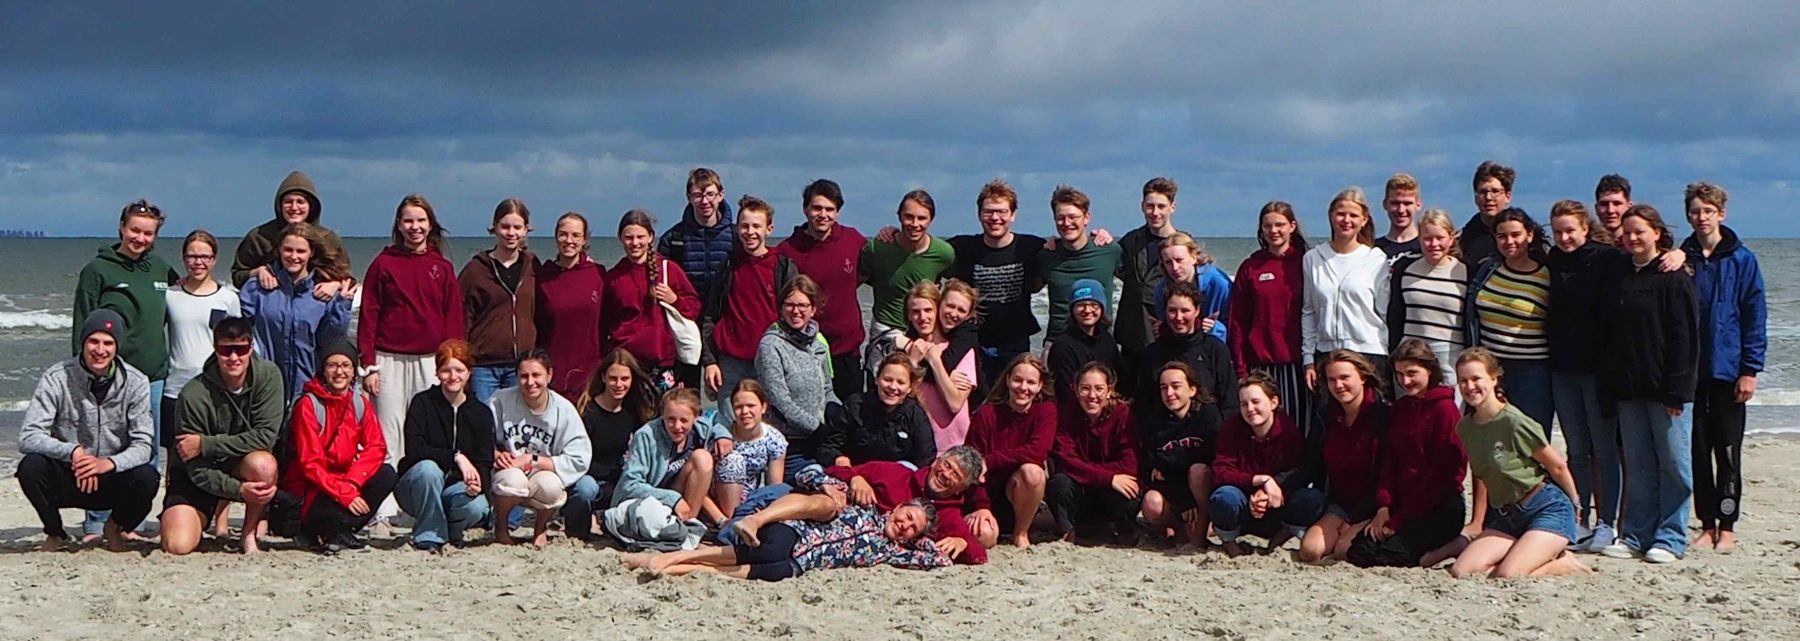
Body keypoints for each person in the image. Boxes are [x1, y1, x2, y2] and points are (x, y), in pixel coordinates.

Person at [1600, 205, 1700, 565]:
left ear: (1656, 233)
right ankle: (1635, 535)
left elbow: (1685, 338)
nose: (1632, 238)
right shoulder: (1620, 276)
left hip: (1666, 392)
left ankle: (1671, 537)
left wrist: (1677, 391)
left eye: (1639, 231)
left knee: (1674, 465)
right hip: (1629, 389)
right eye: (1627, 232)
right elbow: (1612, 337)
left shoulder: (1673, 276)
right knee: (1639, 466)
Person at [360, 194, 466, 531]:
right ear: (399, 224)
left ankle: (419, 506)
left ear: (430, 225)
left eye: (420, 220)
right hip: (388, 359)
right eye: (408, 220)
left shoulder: (442, 268)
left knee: (424, 435)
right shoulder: (383, 264)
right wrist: (368, 365)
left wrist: (453, 364)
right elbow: (369, 316)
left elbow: (453, 319)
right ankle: (382, 509)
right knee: (387, 434)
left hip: (431, 362)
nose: (414, 227)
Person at [72, 200, 176, 539]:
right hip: (109, 377)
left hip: (153, 376)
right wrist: (84, 375)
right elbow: (81, 325)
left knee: (146, 450)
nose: (140, 238)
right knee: (104, 447)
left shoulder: (160, 268)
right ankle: (96, 522)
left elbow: (190, 292)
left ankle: (131, 522)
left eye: (148, 233)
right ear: (121, 227)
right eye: (135, 230)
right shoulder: (97, 270)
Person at [17, 309, 159, 552]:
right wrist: (73, 452)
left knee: (148, 477)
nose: (100, 350)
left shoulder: (136, 382)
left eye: (108, 343)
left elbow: (144, 446)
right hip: (69, 473)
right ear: (83, 342)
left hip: (111, 476)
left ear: (117, 347)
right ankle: (55, 532)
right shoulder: (56, 377)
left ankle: (114, 527)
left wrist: (107, 464)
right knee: (30, 466)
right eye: (94, 341)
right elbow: (28, 436)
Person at [1447, 348, 1590, 578]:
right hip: (1505, 516)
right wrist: (1478, 520)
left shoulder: (1514, 422)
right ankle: (1527, 552)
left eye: (1476, 378)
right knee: (1461, 570)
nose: (1470, 386)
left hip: (1544, 507)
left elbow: (1557, 466)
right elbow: (1482, 475)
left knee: (1508, 574)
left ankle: (1562, 564)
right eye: (1463, 380)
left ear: (1493, 379)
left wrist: (1575, 504)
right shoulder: (1466, 428)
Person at [1681, 181, 1766, 554]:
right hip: (1691, 372)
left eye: (1707, 211)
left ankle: (1727, 526)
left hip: (1729, 371)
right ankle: (1706, 524)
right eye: (1695, 211)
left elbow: (1754, 315)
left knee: (1727, 453)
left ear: (1721, 213)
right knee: (1697, 452)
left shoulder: (1742, 259)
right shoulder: (1682, 257)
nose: (1701, 217)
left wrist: (1750, 369)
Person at [162, 317, 284, 555]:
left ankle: (248, 535)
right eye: (226, 350)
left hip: (240, 465)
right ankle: (202, 517)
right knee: (177, 545)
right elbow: (194, 466)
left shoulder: (268, 376)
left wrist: (206, 444)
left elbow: (265, 437)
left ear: (251, 348)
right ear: (215, 349)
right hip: (198, 475)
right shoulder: (193, 394)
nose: (233, 357)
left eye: (241, 349)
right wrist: (238, 490)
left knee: (264, 464)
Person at [1544, 200, 1624, 553]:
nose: (1564, 238)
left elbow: (1647, 263)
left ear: (1585, 228)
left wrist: (1678, 256)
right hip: (1562, 368)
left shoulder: (1608, 258)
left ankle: (1608, 522)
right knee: (1576, 450)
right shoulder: (1552, 259)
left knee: (1604, 450)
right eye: (1557, 232)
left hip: (1598, 370)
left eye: (1570, 231)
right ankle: (1579, 518)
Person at [624, 493, 947, 581]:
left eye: (912, 528)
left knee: (777, 570)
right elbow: (811, 477)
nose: (904, 525)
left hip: (802, 563)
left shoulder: (892, 551)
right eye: (907, 516)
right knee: (770, 552)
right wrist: (841, 485)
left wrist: (940, 541)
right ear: (898, 508)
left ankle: (674, 566)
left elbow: (938, 559)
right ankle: (679, 556)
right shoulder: (864, 507)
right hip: (796, 531)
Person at [1348, 339, 1467, 568]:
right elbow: (1389, 462)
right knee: (1360, 552)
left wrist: (1398, 521)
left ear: (1429, 370)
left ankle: (1450, 547)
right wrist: (1383, 508)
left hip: (1438, 505)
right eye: (1400, 374)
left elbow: (1442, 476)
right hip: (1402, 504)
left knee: (1391, 557)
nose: (1405, 381)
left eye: (1412, 373)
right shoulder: (1400, 409)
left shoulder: (1445, 411)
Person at [276, 338, 397, 554]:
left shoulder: (359, 403)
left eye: (345, 365)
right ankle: (322, 530)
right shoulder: (308, 405)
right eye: (332, 365)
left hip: (343, 481)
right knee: (330, 503)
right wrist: (344, 492)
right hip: (310, 489)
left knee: (385, 475)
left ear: (353, 372)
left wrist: (352, 482)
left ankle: (340, 531)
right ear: (323, 370)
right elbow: (310, 464)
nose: (339, 372)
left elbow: (376, 446)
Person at [700, 195, 799, 414]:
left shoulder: (782, 265)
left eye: (756, 226)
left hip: (771, 360)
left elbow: (796, 315)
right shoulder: (728, 265)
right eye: (744, 226)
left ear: (769, 229)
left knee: (769, 424)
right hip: (730, 361)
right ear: (737, 229)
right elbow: (711, 316)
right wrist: (709, 361)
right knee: (730, 424)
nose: (750, 232)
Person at [397, 340, 497, 553]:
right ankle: (428, 535)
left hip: (455, 489)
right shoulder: (422, 403)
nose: (453, 377)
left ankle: (448, 530)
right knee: (429, 469)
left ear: (469, 373)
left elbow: (484, 461)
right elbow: (414, 449)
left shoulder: (481, 413)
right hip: (417, 486)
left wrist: (478, 486)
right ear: (437, 373)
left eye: (459, 370)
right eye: (446, 370)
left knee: (477, 507)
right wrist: (456, 456)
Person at [1209, 375, 1325, 557]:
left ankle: (1277, 542)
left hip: (1278, 504)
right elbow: (1220, 472)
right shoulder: (1231, 427)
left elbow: (1301, 471)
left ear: (1273, 402)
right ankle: (1230, 544)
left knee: (1311, 498)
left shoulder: (1288, 431)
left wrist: (1269, 488)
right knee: (1224, 497)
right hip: (1242, 503)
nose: (1250, 409)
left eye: (1256, 402)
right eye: (1243, 404)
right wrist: (1258, 481)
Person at [949, 179, 1045, 398]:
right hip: (974, 340)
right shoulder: (963, 247)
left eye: (1002, 211)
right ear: (979, 214)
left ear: (1013, 215)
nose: (995, 218)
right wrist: (892, 233)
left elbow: (1068, 247)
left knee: (1014, 399)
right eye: (988, 212)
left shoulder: (1030, 247)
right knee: (976, 402)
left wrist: (1101, 236)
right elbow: (925, 246)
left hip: (1015, 340)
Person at [1464, 208, 1555, 437]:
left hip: (1531, 371)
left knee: (1530, 438)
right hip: (1490, 368)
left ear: (1529, 235)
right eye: (1502, 236)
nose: (1509, 241)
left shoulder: (1547, 275)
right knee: (1491, 438)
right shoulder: (1486, 271)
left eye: (1516, 235)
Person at [240, 222, 353, 405]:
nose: (294, 256)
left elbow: (331, 340)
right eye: (288, 250)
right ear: (279, 250)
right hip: (266, 386)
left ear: (311, 253)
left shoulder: (322, 293)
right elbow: (239, 332)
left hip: (308, 386)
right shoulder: (258, 288)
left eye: (300, 251)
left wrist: (342, 305)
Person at [820, 446, 991, 564]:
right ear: (936, 461)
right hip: (833, 523)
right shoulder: (893, 473)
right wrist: (855, 478)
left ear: (961, 488)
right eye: (947, 465)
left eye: (956, 475)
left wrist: (962, 543)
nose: (946, 474)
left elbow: (979, 555)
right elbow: (832, 471)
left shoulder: (949, 516)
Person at [489, 350, 592, 546]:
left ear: (549, 375)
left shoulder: (563, 409)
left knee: (551, 487)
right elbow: (479, 439)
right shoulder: (499, 400)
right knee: (513, 479)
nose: (530, 382)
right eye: (524, 376)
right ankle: (501, 526)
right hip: (509, 469)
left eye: (536, 375)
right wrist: (495, 454)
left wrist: (532, 460)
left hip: (543, 470)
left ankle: (540, 527)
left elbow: (579, 456)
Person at [776, 179, 868, 400]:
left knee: (851, 413)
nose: (823, 215)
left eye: (830, 209)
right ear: (805, 209)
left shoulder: (852, 240)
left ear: (837, 212)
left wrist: (890, 233)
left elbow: (873, 269)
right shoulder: (787, 250)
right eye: (817, 208)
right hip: (804, 350)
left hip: (847, 351)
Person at [1229, 201, 1313, 437]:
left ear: (1292, 226)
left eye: (1280, 225)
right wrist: (1241, 369)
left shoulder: (1307, 263)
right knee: (1262, 428)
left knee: (1297, 430)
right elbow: (1237, 321)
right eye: (1267, 226)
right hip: (1260, 362)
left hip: (1298, 364)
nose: (1274, 231)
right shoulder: (1251, 267)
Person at [1299, 351, 1386, 564]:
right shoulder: (1326, 416)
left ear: (1362, 377)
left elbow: (1387, 474)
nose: (1338, 385)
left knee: (1344, 549)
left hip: (1374, 505)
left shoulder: (1383, 416)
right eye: (1332, 380)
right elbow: (1309, 466)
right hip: (1340, 502)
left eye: (1345, 377)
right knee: (1310, 551)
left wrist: (1358, 517)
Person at [1302, 187, 1390, 395]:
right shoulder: (1313, 258)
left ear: (1364, 220)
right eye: (1341, 214)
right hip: (1327, 354)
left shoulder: (1376, 259)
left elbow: (1384, 312)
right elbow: (1309, 311)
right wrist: (1308, 359)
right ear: (1331, 216)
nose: (1346, 220)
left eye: (1353, 215)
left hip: (1369, 353)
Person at [563, 349, 659, 540]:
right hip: (586, 476)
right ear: (603, 378)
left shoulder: (635, 411)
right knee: (586, 489)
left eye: (625, 379)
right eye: (613, 378)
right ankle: (576, 530)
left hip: (617, 477)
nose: (619, 384)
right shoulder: (587, 412)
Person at [601, 209, 701, 390]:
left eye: (640, 237)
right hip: (625, 362)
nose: (635, 243)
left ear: (650, 237)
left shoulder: (668, 269)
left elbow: (694, 308)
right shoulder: (614, 277)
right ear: (620, 238)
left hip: (662, 362)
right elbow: (605, 321)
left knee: (665, 408)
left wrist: (675, 300)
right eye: (629, 237)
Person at [965, 354, 1058, 548]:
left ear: (1040, 386)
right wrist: (981, 506)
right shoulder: (987, 414)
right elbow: (973, 466)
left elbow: (1037, 452)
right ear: (1008, 380)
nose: (1023, 388)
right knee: (983, 538)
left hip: (1020, 493)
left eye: (1031, 382)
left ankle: (1021, 533)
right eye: (1017, 380)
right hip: (987, 493)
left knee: (1033, 471)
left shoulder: (1045, 412)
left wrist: (990, 460)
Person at [165, 230, 242, 455]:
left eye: (204, 257)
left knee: (212, 451)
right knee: (175, 454)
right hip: (176, 388)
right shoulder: (170, 295)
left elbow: (237, 344)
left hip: (215, 387)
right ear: (184, 259)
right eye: (192, 256)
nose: (198, 262)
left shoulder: (228, 298)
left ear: (214, 260)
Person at [659, 168, 736, 392]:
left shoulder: (736, 237)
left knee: (729, 394)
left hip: (723, 326)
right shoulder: (674, 239)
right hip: (685, 324)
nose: (704, 201)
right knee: (684, 397)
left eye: (710, 194)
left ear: (720, 195)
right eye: (698, 195)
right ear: (688, 197)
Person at [755, 275, 839, 481]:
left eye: (802, 305)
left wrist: (838, 415)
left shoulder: (818, 343)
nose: (796, 311)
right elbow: (779, 400)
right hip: (789, 443)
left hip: (821, 440)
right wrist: (816, 428)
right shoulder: (770, 346)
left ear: (813, 309)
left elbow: (827, 389)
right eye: (789, 305)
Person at [1047, 364, 1140, 545]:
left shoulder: (1122, 414)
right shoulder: (1066, 413)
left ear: (1109, 391)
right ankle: (1067, 531)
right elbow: (1065, 461)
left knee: (1129, 487)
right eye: (1085, 389)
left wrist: (1086, 470)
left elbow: (1129, 464)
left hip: (1110, 492)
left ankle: (1124, 530)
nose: (1092, 395)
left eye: (1099, 389)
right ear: (1075, 390)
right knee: (1058, 483)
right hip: (1081, 492)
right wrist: (1108, 477)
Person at [459, 198, 538, 404]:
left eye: (517, 227)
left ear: (526, 229)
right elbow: (462, 317)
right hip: (484, 367)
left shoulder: (533, 266)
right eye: (505, 226)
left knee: (515, 421)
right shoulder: (475, 270)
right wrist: (462, 360)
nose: (511, 233)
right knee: (484, 419)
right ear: (494, 227)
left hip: (520, 365)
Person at [886, 282, 980, 452]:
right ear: (908, 316)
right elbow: (894, 400)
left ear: (937, 309)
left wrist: (936, 362)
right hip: (916, 443)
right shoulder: (903, 353)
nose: (922, 317)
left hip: (954, 445)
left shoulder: (961, 350)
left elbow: (954, 404)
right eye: (915, 312)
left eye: (928, 310)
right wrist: (912, 364)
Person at [1114, 177, 1186, 396]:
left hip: (1167, 338)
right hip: (1131, 337)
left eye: (1161, 206)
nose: (1155, 212)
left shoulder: (1183, 246)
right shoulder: (1130, 241)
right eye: (1150, 206)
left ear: (1172, 207)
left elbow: (1200, 288)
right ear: (1142, 206)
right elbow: (1107, 260)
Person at [1138, 362, 1223, 546]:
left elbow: (1212, 459)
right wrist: (1183, 502)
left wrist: (1170, 466)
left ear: (1192, 389)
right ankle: (1178, 531)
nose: (1169, 393)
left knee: (1198, 471)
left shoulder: (1208, 415)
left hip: (1203, 492)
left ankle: (1200, 535)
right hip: (1173, 494)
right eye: (1163, 387)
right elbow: (1150, 469)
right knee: (1151, 503)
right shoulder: (1154, 422)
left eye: (1176, 386)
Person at [614, 388, 729, 523]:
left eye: (684, 420)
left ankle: (691, 522)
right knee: (702, 458)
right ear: (662, 414)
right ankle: (698, 523)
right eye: (671, 419)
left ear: (695, 417)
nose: (677, 426)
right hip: (653, 499)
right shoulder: (646, 436)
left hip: (683, 493)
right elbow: (629, 485)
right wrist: (672, 499)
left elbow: (716, 420)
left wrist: (722, 435)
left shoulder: (701, 429)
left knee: (703, 458)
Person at [230, 171, 351, 295]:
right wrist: (258, 272)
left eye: (300, 202)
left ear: (311, 206)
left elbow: (349, 279)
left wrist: (335, 284)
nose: (294, 207)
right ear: (280, 205)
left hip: (315, 303)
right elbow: (237, 277)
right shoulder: (259, 237)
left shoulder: (328, 239)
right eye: (288, 202)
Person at [816, 353, 935, 470]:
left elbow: (925, 459)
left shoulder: (915, 414)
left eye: (900, 382)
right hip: (854, 473)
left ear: (909, 388)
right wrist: (838, 458)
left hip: (894, 477)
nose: (893, 387)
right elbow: (827, 446)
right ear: (877, 379)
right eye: (887, 380)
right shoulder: (855, 405)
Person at [1386, 209, 1466, 382]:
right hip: (1410, 353)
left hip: (1449, 354)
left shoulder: (1465, 272)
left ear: (1451, 238)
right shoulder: (1405, 269)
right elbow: (1394, 313)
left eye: (1440, 238)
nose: (1434, 244)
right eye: (1427, 238)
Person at [863, 190, 956, 337]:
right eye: (909, 217)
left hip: (923, 328)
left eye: (922, 218)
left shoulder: (944, 253)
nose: (915, 224)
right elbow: (851, 284)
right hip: (886, 328)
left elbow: (957, 288)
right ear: (899, 216)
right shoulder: (878, 248)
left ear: (931, 220)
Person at [1039, 185, 1123, 343]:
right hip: (1057, 341)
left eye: (1073, 217)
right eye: (1060, 217)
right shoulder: (1046, 255)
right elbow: (1030, 288)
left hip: (1100, 341)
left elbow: (1135, 285)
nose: (1066, 223)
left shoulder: (1109, 251)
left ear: (1086, 218)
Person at [535, 212, 605, 398]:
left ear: (584, 239)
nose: (569, 240)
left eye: (576, 235)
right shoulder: (543, 276)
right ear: (556, 237)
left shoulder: (597, 274)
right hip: (552, 370)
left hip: (589, 371)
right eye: (563, 234)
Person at [1141, 282, 1237, 414]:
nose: (1178, 317)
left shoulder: (1215, 349)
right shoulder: (1152, 353)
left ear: (1197, 310)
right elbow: (1144, 404)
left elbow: (1230, 403)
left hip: (1208, 424)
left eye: (1185, 311)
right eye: (1172, 311)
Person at [713, 379, 788, 518]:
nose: (745, 412)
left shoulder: (774, 439)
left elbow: (775, 486)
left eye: (751, 406)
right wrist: (720, 519)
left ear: (763, 407)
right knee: (733, 461)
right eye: (738, 407)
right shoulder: (722, 436)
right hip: (719, 504)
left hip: (752, 502)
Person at [1459, 161, 1546, 268]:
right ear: (1475, 197)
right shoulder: (1465, 238)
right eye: (1483, 192)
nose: (1488, 198)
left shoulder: (1529, 237)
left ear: (1508, 196)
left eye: (1495, 191)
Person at [1046, 278, 1120, 403]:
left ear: (1102, 309)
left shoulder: (1107, 340)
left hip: (1108, 403)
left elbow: (1119, 378)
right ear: (1072, 309)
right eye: (1081, 305)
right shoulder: (1062, 346)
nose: (1087, 310)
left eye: (1094, 305)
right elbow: (1064, 391)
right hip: (1076, 407)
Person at [1154, 232, 1230, 342]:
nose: (1175, 268)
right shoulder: (1161, 290)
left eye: (1179, 260)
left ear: (1194, 258)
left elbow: (1236, 323)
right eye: (1168, 262)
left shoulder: (1219, 284)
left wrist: (1216, 328)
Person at [1375, 173, 1423, 264]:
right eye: (1395, 203)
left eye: (1407, 203)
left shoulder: (1428, 248)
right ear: (1385, 204)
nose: (1401, 210)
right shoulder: (1374, 250)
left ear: (1418, 205)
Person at [1593, 174, 1633, 244]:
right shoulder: (1586, 246)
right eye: (1604, 204)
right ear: (1596, 208)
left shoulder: (1637, 246)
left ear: (1629, 207)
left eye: (1617, 204)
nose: (1610, 210)